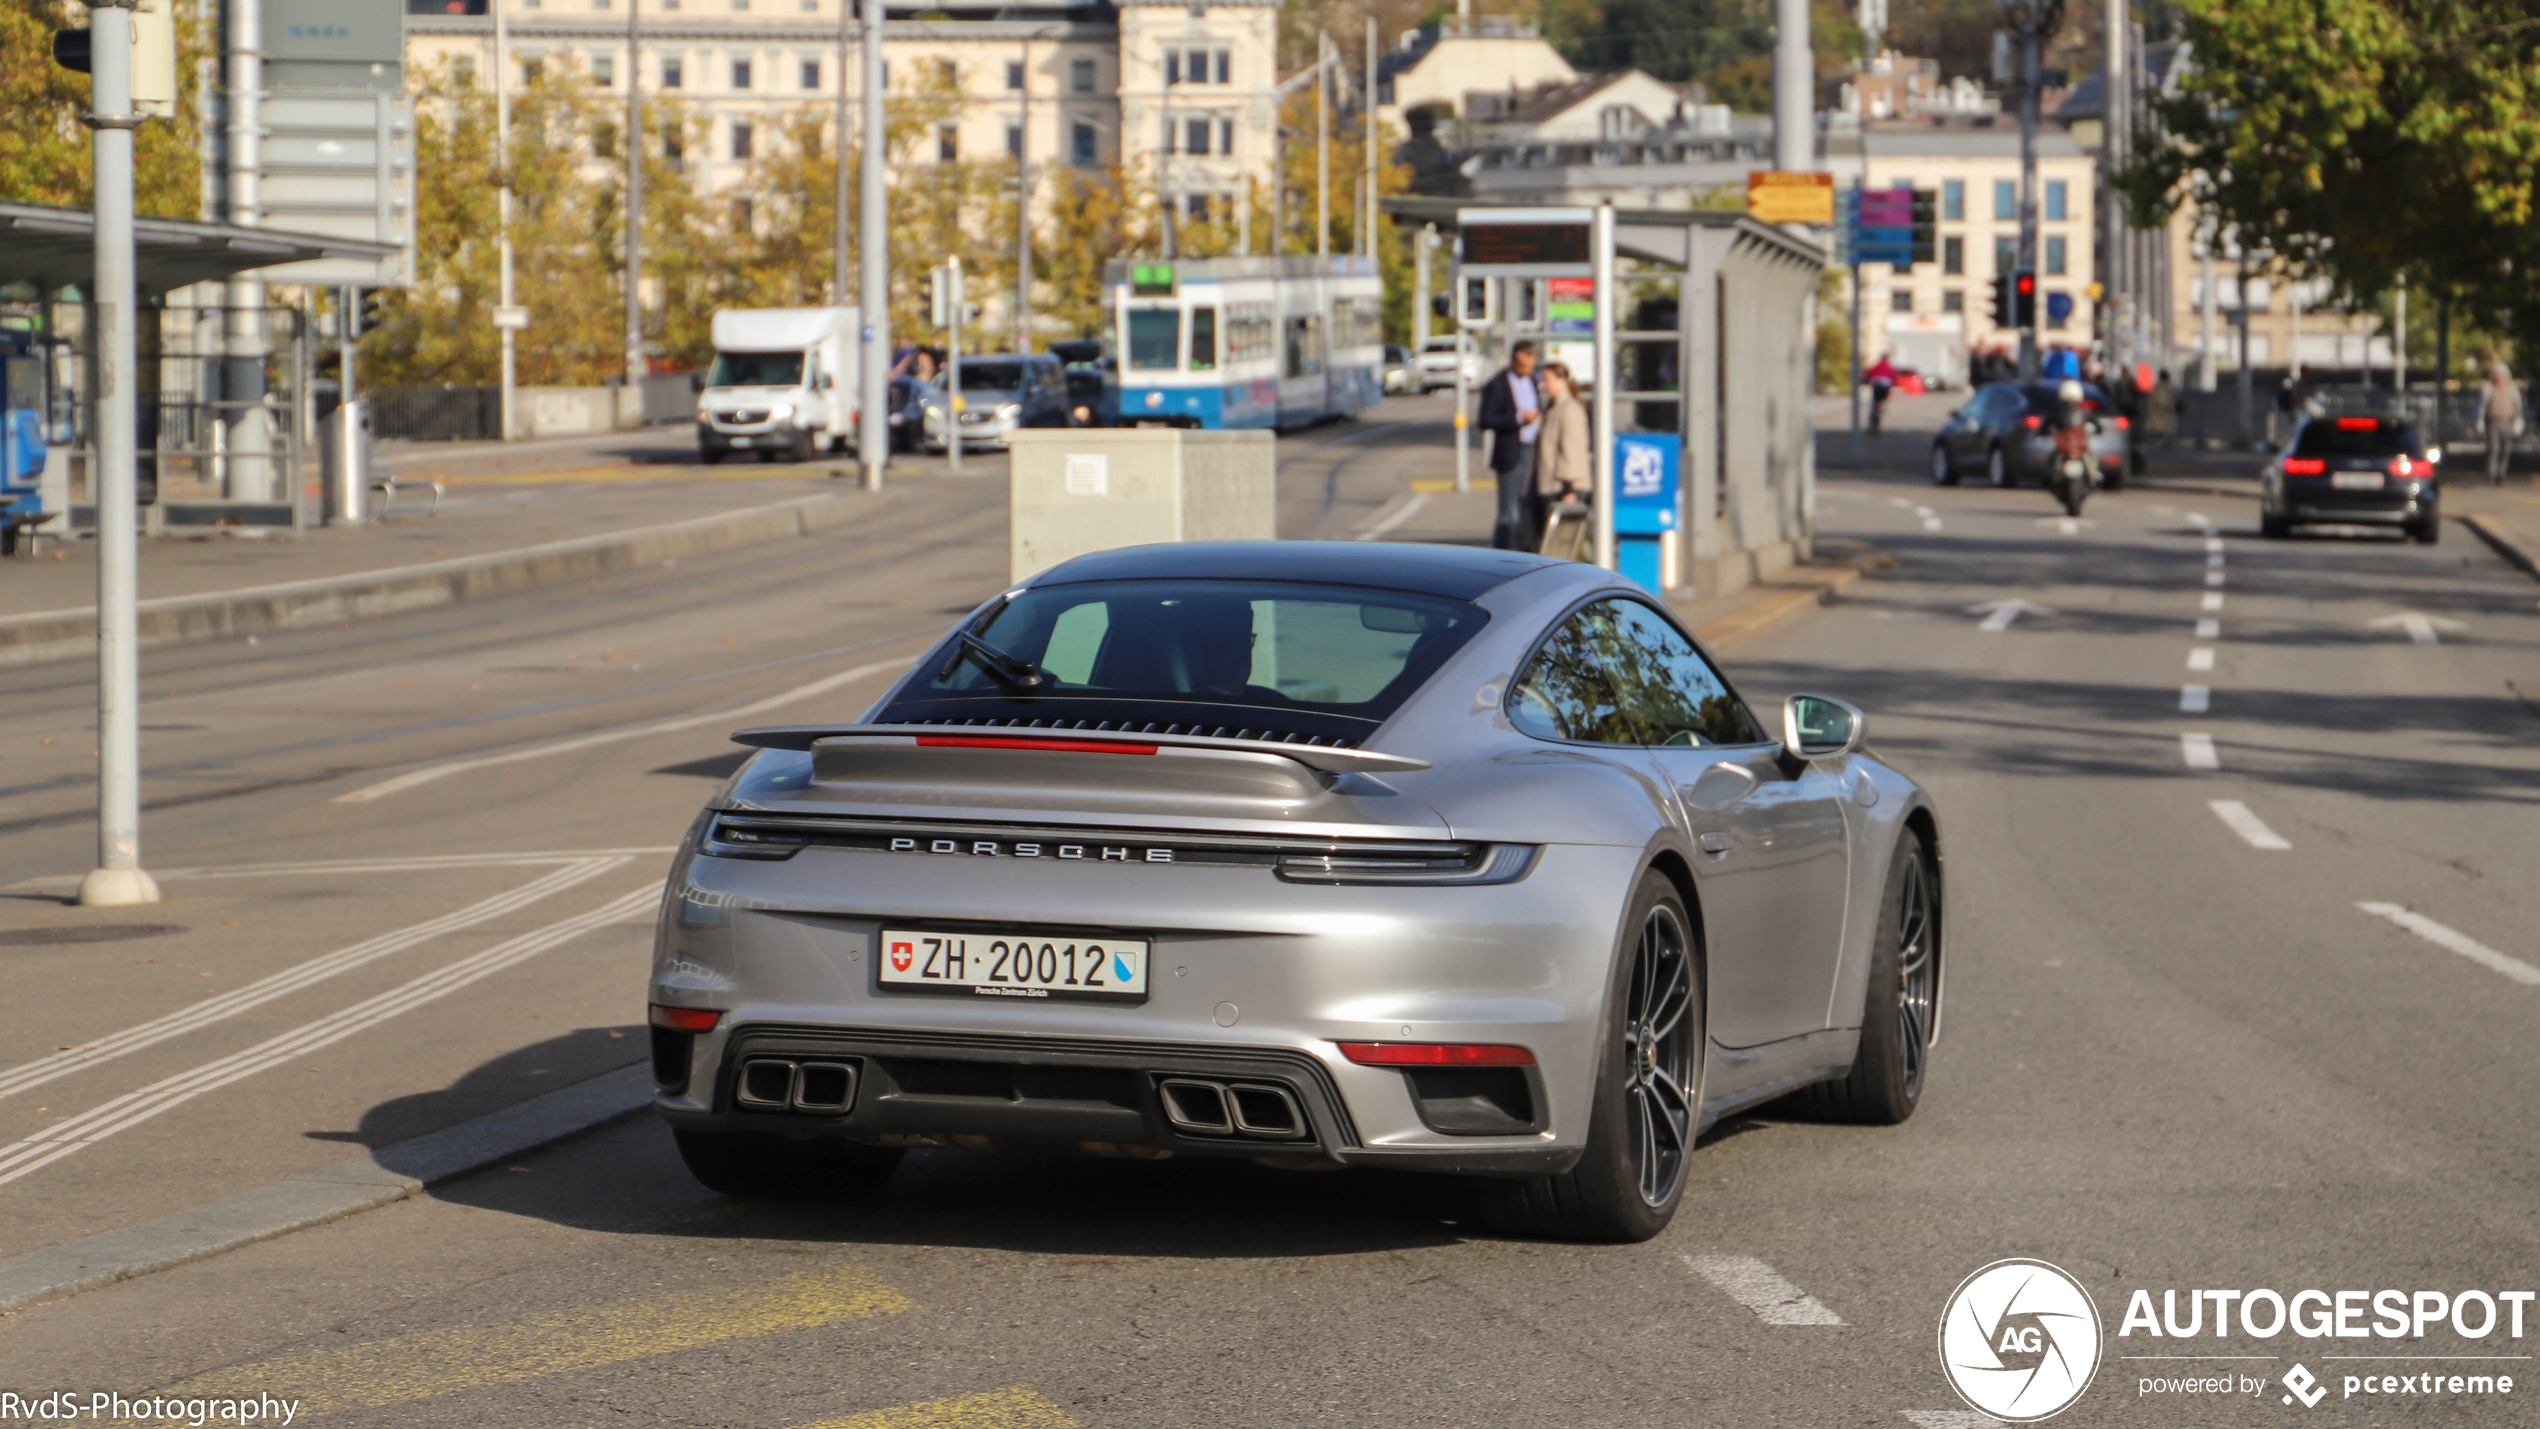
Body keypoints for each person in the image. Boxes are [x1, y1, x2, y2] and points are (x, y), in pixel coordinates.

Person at [1477, 339, 1544, 550]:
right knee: (1509, 511)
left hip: (1532, 448)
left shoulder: (1532, 381)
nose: (1526, 371)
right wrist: (1518, 418)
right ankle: (1503, 553)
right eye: (1523, 366)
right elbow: (1485, 420)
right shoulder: (1497, 384)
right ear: (1513, 361)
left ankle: (1521, 550)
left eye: (1530, 367)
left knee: (1526, 505)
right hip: (1510, 452)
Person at [1534, 362, 1592, 549]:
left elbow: (1572, 450)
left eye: (1547, 379)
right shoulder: (1554, 408)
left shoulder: (1569, 409)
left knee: (1564, 546)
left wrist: (1569, 489)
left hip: (1564, 487)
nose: (1544, 384)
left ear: (1562, 380)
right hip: (1553, 485)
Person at [2478, 363, 2523, 486]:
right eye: (2497, 375)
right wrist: (2480, 420)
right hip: (2493, 422)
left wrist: (2519, 420)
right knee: (2494, 449)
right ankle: (2491, 475)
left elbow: (2518, 405)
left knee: (2505, 449)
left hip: (2508, 422)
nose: (2499, 378)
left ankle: (2501, 475)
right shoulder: (2489, 388)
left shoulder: (2512, 388)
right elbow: (2482, 406)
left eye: (2502, 375)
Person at [1864, 352, 1898, 434]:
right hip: (1885, 384)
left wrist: (1867, 380)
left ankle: (1876, 411)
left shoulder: (1877, 365)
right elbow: (1893, 376)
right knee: (1882, 400)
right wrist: (1894, 384)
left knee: (1876, 399)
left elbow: (1869, 372)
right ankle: (1880, 408)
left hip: (1876, 384)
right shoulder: (1889, 366)